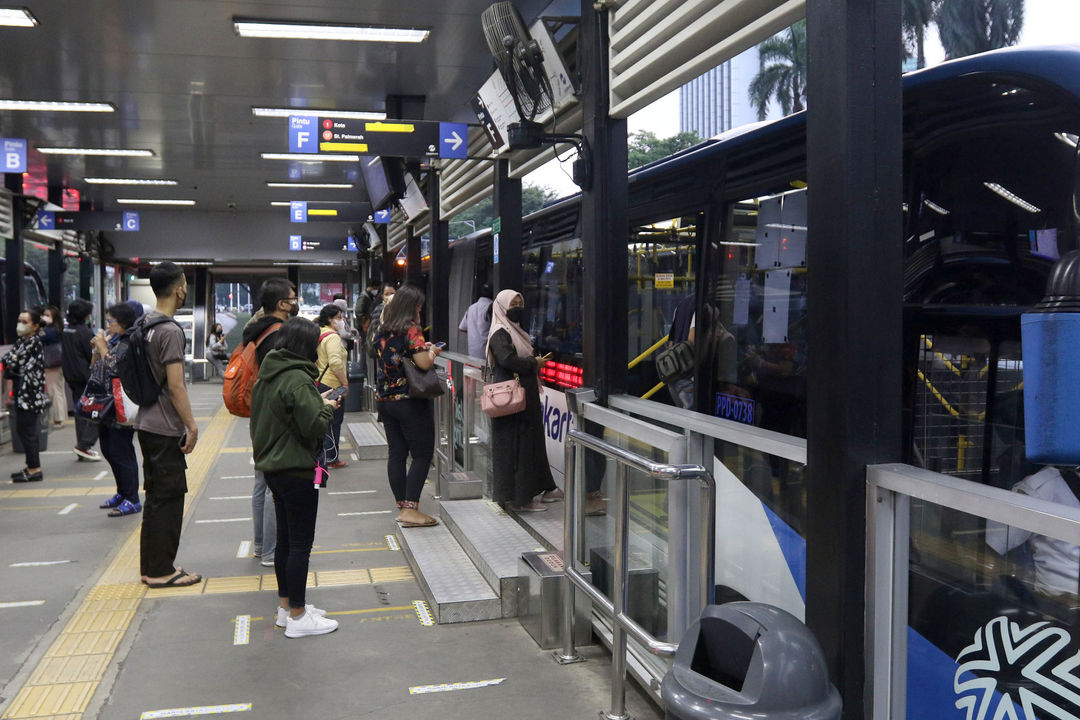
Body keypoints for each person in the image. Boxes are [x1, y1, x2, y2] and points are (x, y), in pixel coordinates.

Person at [250, 316, 340, 638]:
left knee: (286, 541)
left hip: (273, 469)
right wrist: (327, 406)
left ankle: (286, 608)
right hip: (297, 469)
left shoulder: (267, 376)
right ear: (307, 346)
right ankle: (300, 618)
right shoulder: (298, 380)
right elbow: (313, 425)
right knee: (301, 543)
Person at [135, 262, 202, 588]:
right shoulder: (170, 330)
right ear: (179, 289)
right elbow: (176, 385)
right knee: (170, 499)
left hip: (146, 422)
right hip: (164, 427)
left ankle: (151, 567)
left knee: (156, 499)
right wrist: (191, 424)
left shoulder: (144, 323)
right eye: (185, 284)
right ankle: (162, 571)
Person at [486, 289, 561, 512]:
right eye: (513, 304)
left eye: (520, 302)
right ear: (501, 307)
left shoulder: (515, 331)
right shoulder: (500, 332)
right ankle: (520, 499)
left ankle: (536, 491)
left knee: (528, 445)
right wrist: (533, 363)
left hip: (521, 397)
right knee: (517, 448)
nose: (518, 307)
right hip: (511, 400)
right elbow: (507, 359)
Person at [242, 277, 298, 567]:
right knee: (276, 483)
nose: (295, 301)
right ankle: (270, 551)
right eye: (293, 297)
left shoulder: (258, 330)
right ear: (281, 304)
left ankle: (261, 544)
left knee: (262, 482)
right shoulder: (279, 334)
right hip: (275, 418)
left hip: (259, 414)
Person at [375, 284, 440, 527]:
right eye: (419, 307)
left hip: (385, 400)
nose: (420, 310)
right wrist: (432, 351)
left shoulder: (382, 330)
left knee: (397, 454)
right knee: (422, 454)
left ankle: (402, 507)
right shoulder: (411, 329)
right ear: (412, 307)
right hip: (409, 400)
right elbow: (423, 363)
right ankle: (411, 509)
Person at [92, 302, 142, 516]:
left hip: (122, 406)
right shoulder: (114, 340)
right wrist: (97, 351)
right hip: (107, 406)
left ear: (122, 323)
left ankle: (132, 498)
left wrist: (103, 348)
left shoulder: (129, 341)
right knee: (109, 450)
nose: (108, 326)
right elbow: (98, 367)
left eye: (111, 321)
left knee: (122, 452)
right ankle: (122, 492)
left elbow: (114, 368)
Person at [4, 308, 48, 482]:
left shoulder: (34, 342)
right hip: (22, 395)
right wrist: (11, 362)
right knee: (23, 431)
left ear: (35, 326)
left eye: (25, 322)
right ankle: (31, 466)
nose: (20, 325)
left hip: (30, 396)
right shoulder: (23, 340)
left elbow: (15, 360)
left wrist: (12, 362)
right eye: (19, 321)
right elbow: (9, 359)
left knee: (28, 432)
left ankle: (34, 469)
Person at [61, 298, 101, 461]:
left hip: (71, 375)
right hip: (86, 377)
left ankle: (83, 446)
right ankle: (85, 444)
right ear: (85, 315)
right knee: (97, 411)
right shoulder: (85, 333)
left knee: (80, 410)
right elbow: (92, 355)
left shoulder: (66, 330)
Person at [316, 304, 349, 469]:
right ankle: (332, 457)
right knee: (334, 421)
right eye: (339, 318)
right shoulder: (333, 337)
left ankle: (324, 455)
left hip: (320, 383)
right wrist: (345, 383)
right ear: (330, 319)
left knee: (324, 422)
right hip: (332, 384)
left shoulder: (319, 334)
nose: (341, 321)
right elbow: (336, 363)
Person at [40, 304, 66, 428]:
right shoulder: (59, 328)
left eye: (47, 315)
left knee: (53, 391)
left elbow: (41, 338)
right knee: (59, 390)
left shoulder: (50, 330)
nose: (44, 317)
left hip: (52, 364)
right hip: (60, 363)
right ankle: (60, 417)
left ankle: (57, 419)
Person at [459, 283, 494, 359]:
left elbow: (462, 328)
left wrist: (474, 333)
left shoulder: (471, 308)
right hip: (488, 355)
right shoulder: (492, 307)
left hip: (472, 355)